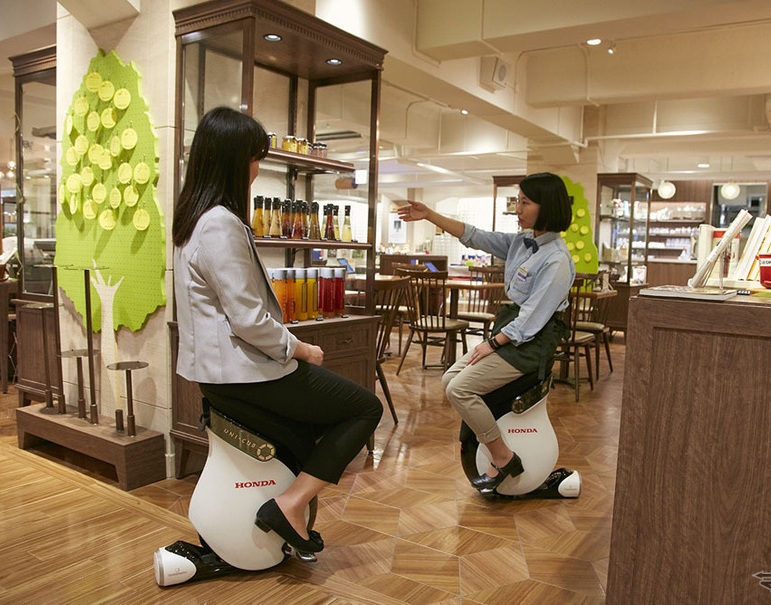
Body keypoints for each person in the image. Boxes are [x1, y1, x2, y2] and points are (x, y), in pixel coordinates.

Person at [172, 107, 382, 553]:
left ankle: (288, 506)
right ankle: (289, 504)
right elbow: (247, 318)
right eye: (254, 158)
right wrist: (300, 349)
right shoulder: (221, 224)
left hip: (219, 374)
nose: (256, 169)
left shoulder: (193, 219)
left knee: (310, 430)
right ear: (233, 160)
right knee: (364, 408)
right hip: (244, 373)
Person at [396, 172, 575, 494]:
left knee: (460, 389)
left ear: (546, 206)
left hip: (531, 343)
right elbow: (475, 236)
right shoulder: (523, 241)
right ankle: (496, 442)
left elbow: (533, 319)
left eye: (525, 202)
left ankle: (504, 457)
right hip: (511, 331)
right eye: (517, 200)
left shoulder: (557, 259)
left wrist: (492, 344)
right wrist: (430, 215)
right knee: (451, 380)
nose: (517, 208)